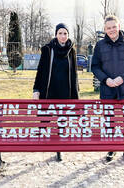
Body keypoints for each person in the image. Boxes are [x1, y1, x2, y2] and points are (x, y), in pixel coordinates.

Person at [91, 15, 124, 164]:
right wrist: (106, 80)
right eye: (108, 28)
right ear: (105, 30)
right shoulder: (99, 46)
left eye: (114, 27)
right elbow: (95, 67)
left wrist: (122, 78)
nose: (111, 30)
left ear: (119, 27)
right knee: (109, 122)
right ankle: (111, 148)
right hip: (107, 91)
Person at [33, 23, 79, 161]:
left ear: (68, 35)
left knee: (62, 121)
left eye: (65, 33)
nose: (63, 36)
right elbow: (40, 71)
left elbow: (74, 74)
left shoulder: (72, 50)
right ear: (56, 34)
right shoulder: (48, 49)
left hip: (65, 91)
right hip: (49, 90)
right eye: (60, 33)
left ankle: (59, 148)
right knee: (45, 121)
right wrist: (36, 89)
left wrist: (76, 94)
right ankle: (41, 145)